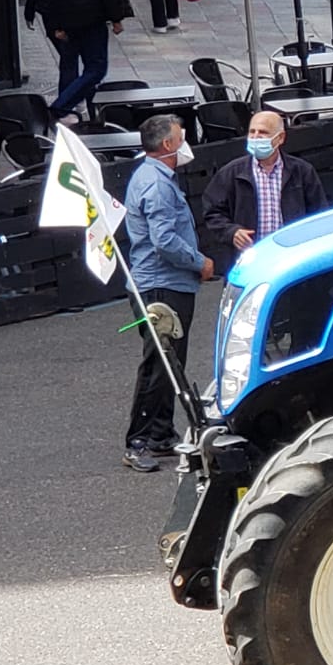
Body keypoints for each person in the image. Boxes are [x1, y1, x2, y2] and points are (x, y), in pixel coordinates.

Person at [122, 113, 214, 473]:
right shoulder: (158, 185)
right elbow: (165, 241)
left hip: (160, 281)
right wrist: (199, 262)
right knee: (160, 363)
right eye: (181, 135)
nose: (184, 140)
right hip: (162, 283)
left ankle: (160, 434)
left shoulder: (149, 176)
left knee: (169, 362)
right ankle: (139, 440)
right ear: (168, 144)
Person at [200, 111, 329, 275]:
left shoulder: (301, 172)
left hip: (291, 258)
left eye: (263, 133)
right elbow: (212, 211)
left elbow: (319, 214)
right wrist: (232, 232)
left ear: (280, 138)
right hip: (250, 259)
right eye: (252, 132)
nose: (255, 137)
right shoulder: (232, 173)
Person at [23, 0, 131, 124]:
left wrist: (32, 13)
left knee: (70, 61)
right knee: (96, 68)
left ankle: (83, 111)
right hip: (90, 18)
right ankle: (60, 108)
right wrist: (116, 17)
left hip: (60, 18)